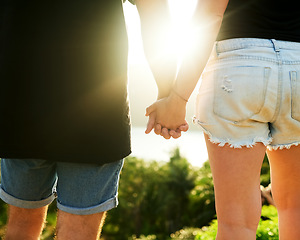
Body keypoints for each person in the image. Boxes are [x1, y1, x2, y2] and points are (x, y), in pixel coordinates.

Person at [0, 0, 177, 239]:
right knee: (77, 234)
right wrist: (167, 94)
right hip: (95, 113)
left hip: (20, 106)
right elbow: (154, 10)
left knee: (20, 229)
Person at [146, 0, 300, 239]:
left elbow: (209, 14)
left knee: (236, 224)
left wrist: (177, 98)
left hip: (238, 66)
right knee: (296, 209)